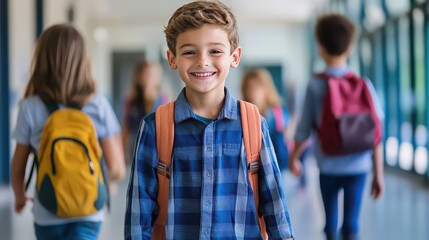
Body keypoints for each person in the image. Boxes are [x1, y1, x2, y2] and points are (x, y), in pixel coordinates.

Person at [124, 1, 294, 239]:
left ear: (234, 57)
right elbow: (137, 216)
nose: (202, 61)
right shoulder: (155, 127)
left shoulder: (253, 124)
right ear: (172, 59)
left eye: (215, 51)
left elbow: (275, 206)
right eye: (189, 52)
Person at [11, 24, 126, 240]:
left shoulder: (29, 107)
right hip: (89, 211)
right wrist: (106, 184)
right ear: (83, 61)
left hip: (48, 210)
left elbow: (18, 169)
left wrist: (19, 197)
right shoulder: (99, 105)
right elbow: (118, 168)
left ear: (42, 60)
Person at [288, 14, 384, 240]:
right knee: (351, 224)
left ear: (320, 47)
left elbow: (303, 130)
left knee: (330, 225)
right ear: (350, 48)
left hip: (329, 166)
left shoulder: (315, 85)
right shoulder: (364, 85)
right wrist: (378, 174)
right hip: (359, 167)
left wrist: (293, 157)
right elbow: (376, 134)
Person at [241, 68, 290, 171]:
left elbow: (287, 136)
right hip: (254, 167)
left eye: (257, 87)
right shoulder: (242, 112)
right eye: (249, 87)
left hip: (278, 166)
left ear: (267, 88)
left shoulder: (278, 112)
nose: (253, 92)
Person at [122, 61, 167, 164]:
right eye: (145, 75)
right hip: (135, 149)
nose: (148, 79)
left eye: (151, 75)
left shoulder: (163, 99)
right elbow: (126, 128)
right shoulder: (131, 101)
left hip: (156, 151)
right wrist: (123, 152)